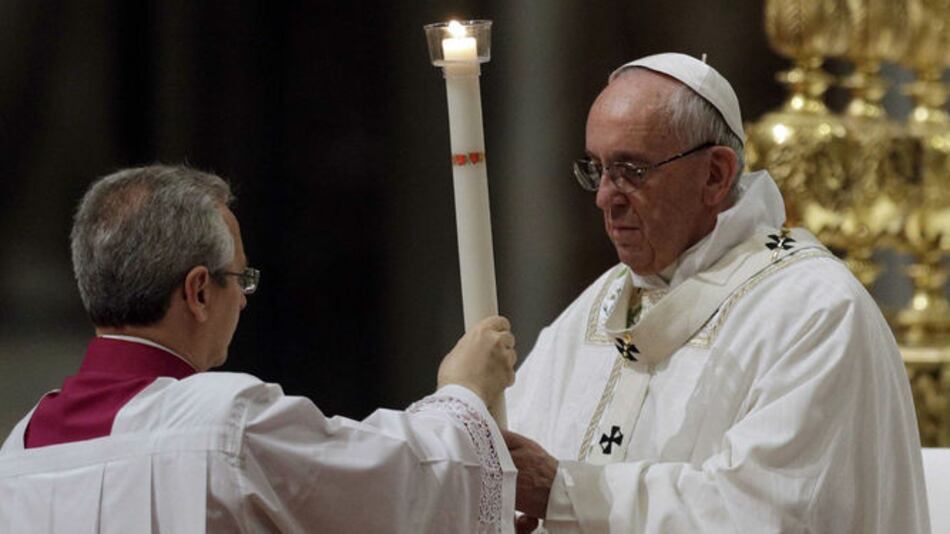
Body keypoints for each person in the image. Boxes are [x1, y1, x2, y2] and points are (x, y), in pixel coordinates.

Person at [503, 53, 930, 533]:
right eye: (597, 169)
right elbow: (512, 461)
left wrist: (566, 493)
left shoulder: (815, 311)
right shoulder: (599, 307)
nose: (605, 197)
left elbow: (767, 512)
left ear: (715, 175)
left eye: (631, 170)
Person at [0, 165, 518, 533]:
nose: (244, 301)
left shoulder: (19, 452)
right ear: (199, 291)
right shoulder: (221, 421)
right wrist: (464, 391)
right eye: (239, 279)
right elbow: (403, 486)